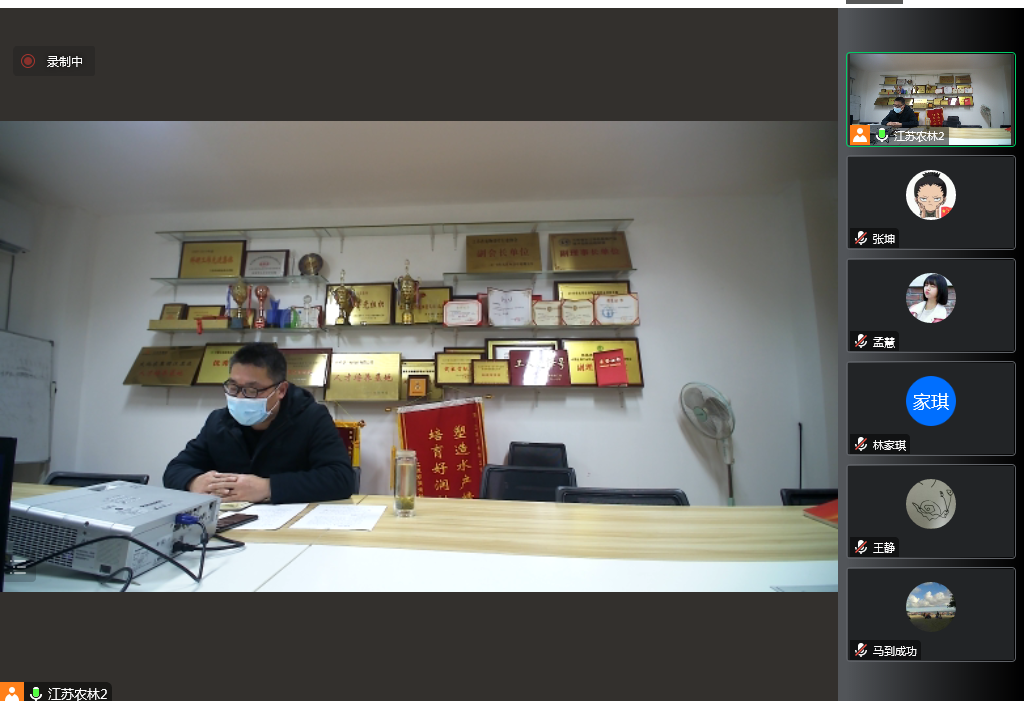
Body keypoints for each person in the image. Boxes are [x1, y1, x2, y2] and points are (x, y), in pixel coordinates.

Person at [163, 343, 355, 503]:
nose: (240, 397)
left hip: (290, 524)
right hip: (230, 523)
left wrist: (267, 487)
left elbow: (341, 479)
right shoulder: (219, 421)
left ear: (281, 390)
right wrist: (194, 482)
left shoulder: (312, 417)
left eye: (252, 390)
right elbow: (175, 469)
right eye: (233, 387)